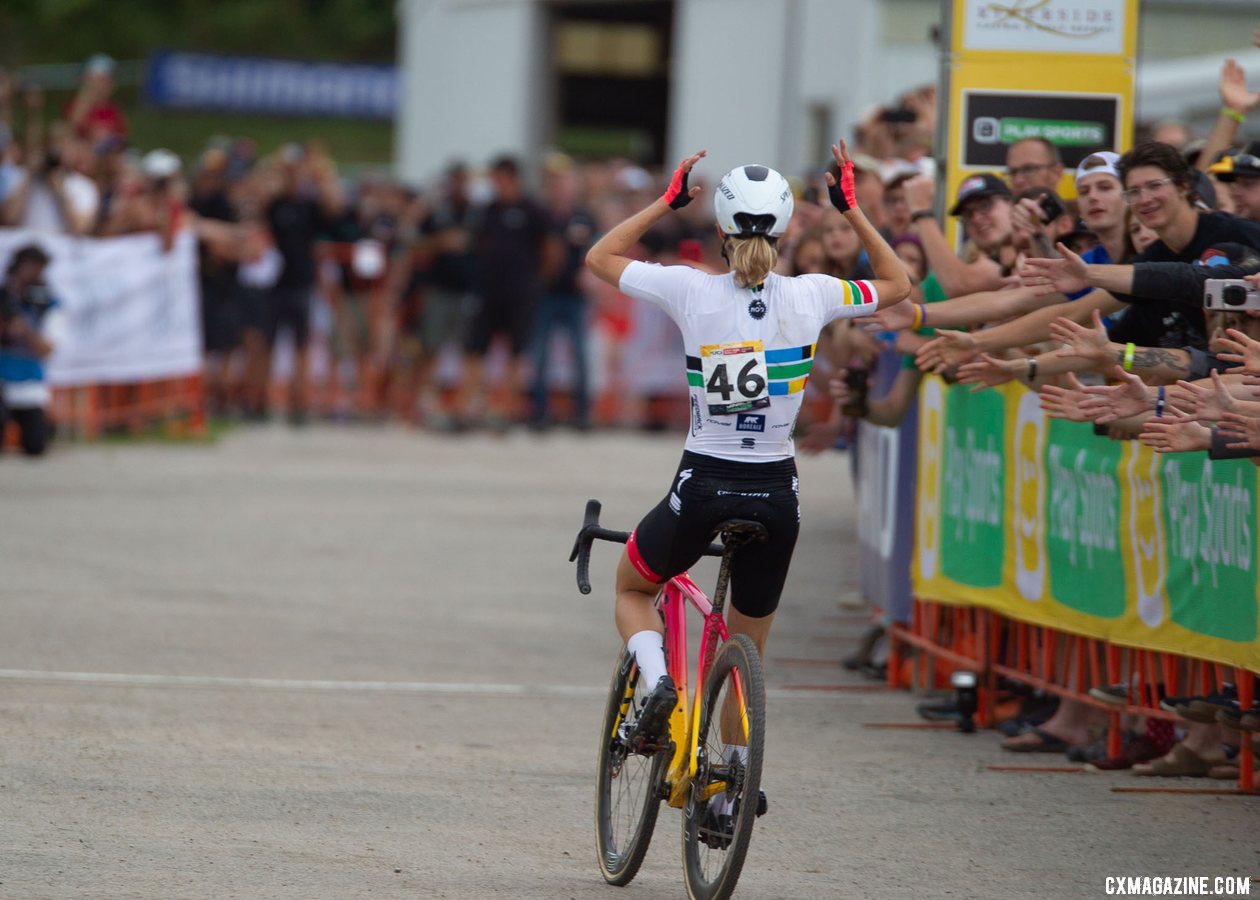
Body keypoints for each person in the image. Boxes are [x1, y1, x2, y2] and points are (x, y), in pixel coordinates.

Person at [584, 141, 910, 752]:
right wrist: (852, 210)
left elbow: (601, 257)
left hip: (703, 481)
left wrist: (665, 202)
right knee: (748, 646)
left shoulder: (690, 290)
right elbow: (899, 282)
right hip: (775, 491)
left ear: (718, 231)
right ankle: (730, 782)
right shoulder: (814, 293)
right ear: (786, 231)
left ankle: (657, 683)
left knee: (632, 589)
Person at [0, 245, 64, 456]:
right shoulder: (4, 297)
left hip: (29, 383)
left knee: (35, 446)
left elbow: (48, 348)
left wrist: (25, 330)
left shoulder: (47, 303)